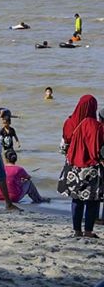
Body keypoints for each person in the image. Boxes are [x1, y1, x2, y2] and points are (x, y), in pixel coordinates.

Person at [58, 95, 103, 238]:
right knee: (92, 201)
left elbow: (63, 146)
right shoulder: (97, 127)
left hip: (73, 166)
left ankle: (77, 230)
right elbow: (100, 150)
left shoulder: (69, 122)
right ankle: (88, 231)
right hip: (92, 168)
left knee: (76, 199)